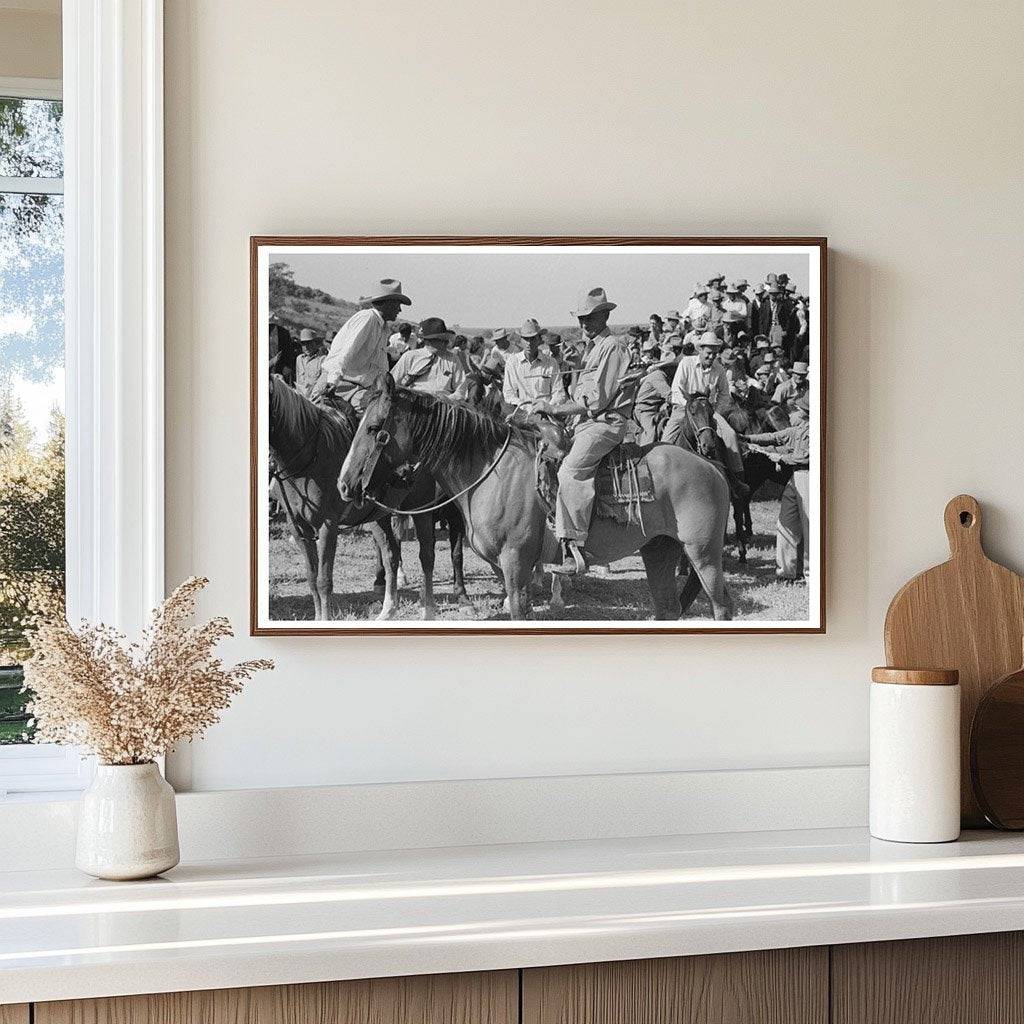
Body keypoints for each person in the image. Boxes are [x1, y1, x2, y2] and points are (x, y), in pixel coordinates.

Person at [533, 288, 634, 576]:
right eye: (581, 319)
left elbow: (597, 401)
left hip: (605, 423)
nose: (583, 324)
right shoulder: (591, 348)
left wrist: (555, 409)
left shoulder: (612, 346)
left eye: (589, 318)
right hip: (587, 422)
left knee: (570, 472)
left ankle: (575, 547)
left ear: (605, 315)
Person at [661, 331, 747, 497]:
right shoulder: (686, 363)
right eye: (708, 352)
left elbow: (724, 395)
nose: (711, 356)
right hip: (684, 408)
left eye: (715, 353)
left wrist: (714, 410)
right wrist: (690, 407)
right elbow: (676, 390)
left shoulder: (719, 369)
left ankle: (737, 479)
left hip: (708, 411)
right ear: (700, 350)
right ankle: (661, 479)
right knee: (666, 440)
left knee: (729, 434)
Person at [313, 278, 411, 414]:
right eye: (397, 304)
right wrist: (332, 382)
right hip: (340, 385)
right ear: (387, 303)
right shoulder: (367, 318)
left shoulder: (382, 328)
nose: (399, 310)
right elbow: (346, 352)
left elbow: (380, 368)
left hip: (357, 389)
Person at [743, 394, 811, 580]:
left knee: (809, 527)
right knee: (785, 523)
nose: (795, 411)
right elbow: (775, 437)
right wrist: (747, 438)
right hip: (796, 478)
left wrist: (781, 458)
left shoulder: (816, 429)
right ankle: (785, 572)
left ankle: (810, 574)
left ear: (806, 413)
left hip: (808, 477)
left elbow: (806, 458)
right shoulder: (800, 428)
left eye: (799, 409)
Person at [391, 317, 468, 399]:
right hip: (413, 402)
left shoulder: (453, 359)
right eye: (438, 340)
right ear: (427, 341)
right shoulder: (410, 356)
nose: (443, 343)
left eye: (444, 340)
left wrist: (446, 401)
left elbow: (461, 389)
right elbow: (392, 382)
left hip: (443, 405)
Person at [503, 318, 568, 408]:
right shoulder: (513, 362)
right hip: (522, 413)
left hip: (547, 414)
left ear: (539, 340)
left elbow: (559, 393)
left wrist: (547, 408)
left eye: (532, 339)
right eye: (526, 339)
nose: (529, 343)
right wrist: (525, 407)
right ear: (521, 340)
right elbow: (509, 394)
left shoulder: (551, 363)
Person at [634, 352, 673, 445]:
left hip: (655, 408)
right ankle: (645, 452)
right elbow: (668, 395)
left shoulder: (665, 377)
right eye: (672, 367)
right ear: (666, 367)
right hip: (645, 409)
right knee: (651, 432)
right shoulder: (658, 376)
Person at [294, 328, 326, 397]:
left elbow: (321, 384)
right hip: (300, 398)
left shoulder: (323, 360)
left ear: (315, 343)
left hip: (315, 398)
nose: (306, 347)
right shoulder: (299, 359)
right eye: (303, 344)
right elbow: (298, 380)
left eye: (308, 343)